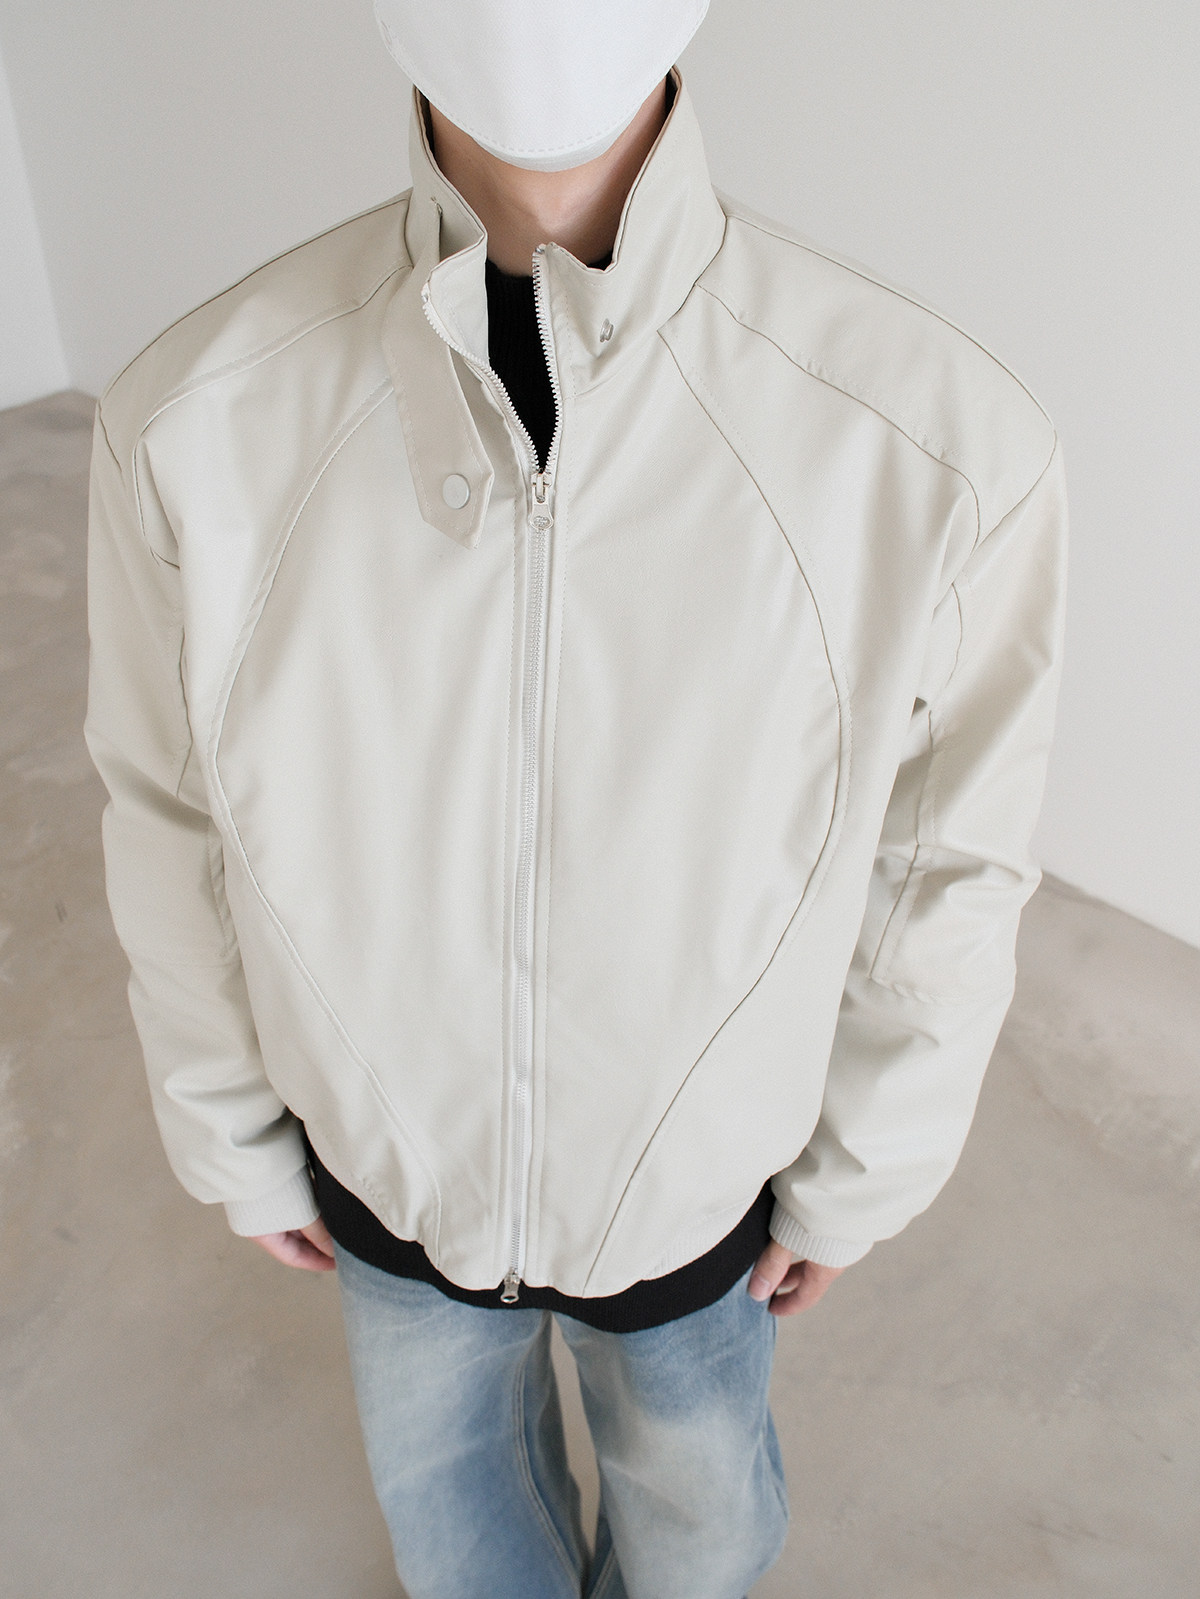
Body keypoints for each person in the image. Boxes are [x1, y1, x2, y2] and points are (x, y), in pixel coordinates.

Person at [83, 2, 1068, 1595]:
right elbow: (169, 804)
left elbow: (946, 856)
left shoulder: (930, 443)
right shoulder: (200, 418)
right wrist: (231, 1127)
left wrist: (862, 1164)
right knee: (454, 1510)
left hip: (696, 1194)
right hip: (390, 1174)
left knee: (699, 1523)